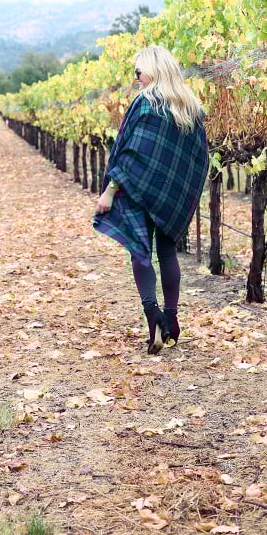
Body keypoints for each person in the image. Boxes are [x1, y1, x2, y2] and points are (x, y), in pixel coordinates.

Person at [93, 45, 208, 353]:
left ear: (153, 71)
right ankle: (171, 318)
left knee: (141, 252)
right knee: (168, 253)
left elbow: (132, 152)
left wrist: (110, 190)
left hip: (138, 189)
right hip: (171, 192)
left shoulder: (146, 103)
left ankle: (153, 315)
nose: (136, 78)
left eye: (138, 72)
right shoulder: (191, 105)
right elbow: (198, 158)